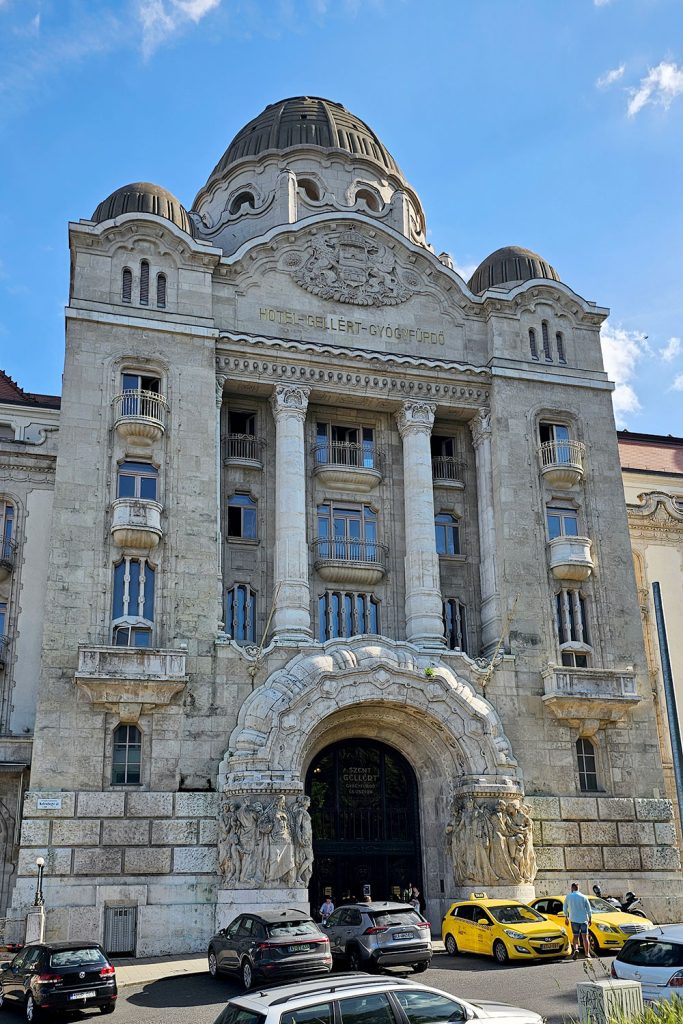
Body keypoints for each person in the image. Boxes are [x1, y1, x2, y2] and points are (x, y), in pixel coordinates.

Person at [564, 881, 592, 959]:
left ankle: (576, 949)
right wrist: (590, 919)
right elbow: (589, 909)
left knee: (575, 936)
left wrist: (566, 917)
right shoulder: (584, 897)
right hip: (583, 920)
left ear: (572, 888)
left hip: (574, 920)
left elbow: (565, 908)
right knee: (585, 937)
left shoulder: (568, 897)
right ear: (578, 888)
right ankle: (587, 954)